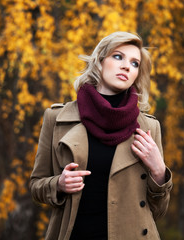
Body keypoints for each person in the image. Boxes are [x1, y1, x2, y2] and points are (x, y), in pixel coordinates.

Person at [29, 31, 173, 240]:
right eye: (118, 56)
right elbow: (36, 186)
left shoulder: (149, 127)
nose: (126, 66)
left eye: (135, 63)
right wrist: (59, 184)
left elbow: (158, 211)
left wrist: (159, 171)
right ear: (99, 62)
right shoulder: (56, 118)